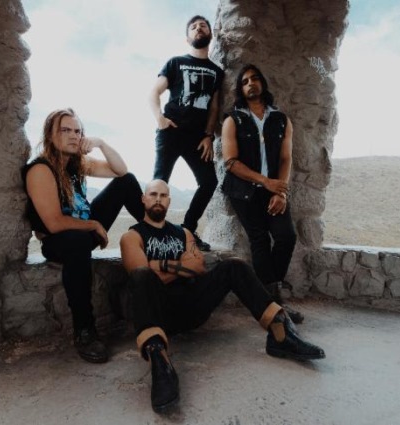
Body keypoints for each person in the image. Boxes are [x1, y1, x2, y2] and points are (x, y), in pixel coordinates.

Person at [120, 180, 325, 414]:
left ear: (169, 201)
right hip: (160, 314)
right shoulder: (132, 236)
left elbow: (198, 266)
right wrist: (180, 267)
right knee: (142, 276)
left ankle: (280, 331)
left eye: (163, 195)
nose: (158, 199)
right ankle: (160, 364)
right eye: (153, 194)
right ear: (143, 199)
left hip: (193, 307)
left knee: (234, 266)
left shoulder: (183, 233)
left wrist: (160, 265)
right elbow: (141, 273)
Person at [22, 108, 144, 364]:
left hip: (85, 228)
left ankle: (160, 237)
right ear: (50, 135)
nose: (73, 136)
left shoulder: (78, 164)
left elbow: (121, 170)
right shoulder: (41, 169)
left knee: (127, 182)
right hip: (60, 240)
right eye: (65, 130)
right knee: (76, 242)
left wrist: (100, 143)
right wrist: (93, 225)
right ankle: (84, 330)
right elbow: (54, 223)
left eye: (77, 131)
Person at [220, 64, 303, 322]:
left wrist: (281, 192)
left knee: (286, 236)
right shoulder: (232, 120)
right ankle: (274, 304)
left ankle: (267, 297)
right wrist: (265, 182)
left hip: (274, 190)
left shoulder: (281, 120)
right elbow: (230, 162)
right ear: (240, 89)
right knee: (259, 240)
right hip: (244, 191)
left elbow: (286, 158)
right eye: (244, 81)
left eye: (255, 78)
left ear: (262, 83)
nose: (250, 83)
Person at [148, 15, 225, 251]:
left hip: (197, 138)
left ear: (210, 34)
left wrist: (209, 135)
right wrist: (160, 119)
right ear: (187, 37)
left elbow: (214, 107)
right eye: (193, 27)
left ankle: (188, 230)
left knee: (209, 182)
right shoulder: (175, 62)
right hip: (171, 131)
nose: (198, 28)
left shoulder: (216, 71)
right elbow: (154, 92)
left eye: (203, 26)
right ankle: (152, 235)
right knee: (159, 183)